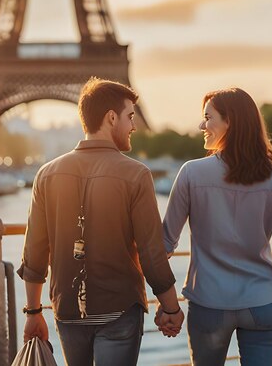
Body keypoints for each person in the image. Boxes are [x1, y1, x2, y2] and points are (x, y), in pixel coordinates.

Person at [18, 77, 184, 366]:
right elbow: (151, 253)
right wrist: (170, 307)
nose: (134, 125)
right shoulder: (136, 174)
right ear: (110, 117)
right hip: (119, 309)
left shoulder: (46, 174)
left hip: (68, 310)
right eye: (130, 116)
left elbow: (34, 252)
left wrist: (33, 313)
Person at [158, 87, 272, 366]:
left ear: (231, 122)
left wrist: (165, 305)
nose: (202, 125)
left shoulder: (191, 173)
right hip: (264, 303)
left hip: (210, 304)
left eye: (208, 117)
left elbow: (163, 245)